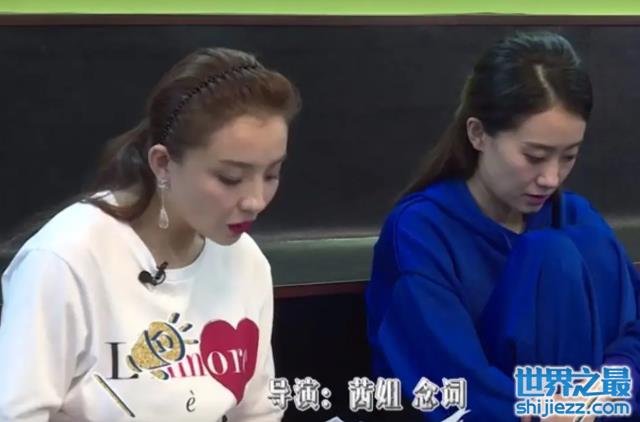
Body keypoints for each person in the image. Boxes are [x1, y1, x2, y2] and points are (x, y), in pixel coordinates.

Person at [0, 47, 301, 421]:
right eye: (230, 178)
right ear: (162, 163)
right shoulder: (65, 259)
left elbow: (258, 410)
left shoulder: (246, 261)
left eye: (271, 174)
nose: (255, 200)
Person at [366, 32, 640, 421]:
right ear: (478, 134)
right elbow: (451, 383)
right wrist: (545, 412)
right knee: (551, 255)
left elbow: (633, 337)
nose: (551, 178)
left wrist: (591, 401)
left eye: (568, 157)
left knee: (580, 243)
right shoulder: (420, 232)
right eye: (534, 156)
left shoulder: (577, 218)